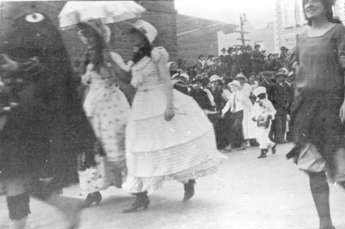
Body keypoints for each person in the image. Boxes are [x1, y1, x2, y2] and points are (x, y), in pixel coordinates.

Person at [0, 3, 100, 229]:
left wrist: (18, 67)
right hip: (16, 110)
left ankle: (22, 227)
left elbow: (51, 65)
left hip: (27, 113)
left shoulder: (33, 21)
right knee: (15, 173)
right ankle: (62, 207)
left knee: (15, 172)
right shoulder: (15, 23)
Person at [120, 20, 226, 212]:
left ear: (145, 37)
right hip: (141, 105)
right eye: (131, 35)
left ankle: (187, 179)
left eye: (136, 34)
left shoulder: (156, 54)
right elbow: (130, 81)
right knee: (139, 146)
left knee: (170, 142)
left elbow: (166, 81)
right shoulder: (135, 59)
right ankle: (140, 197)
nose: (132, 38)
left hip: (158, 99)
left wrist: (169, 106)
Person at [287, 0, 345, 229]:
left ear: (326, 5)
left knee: (340, 166)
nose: (309, 5)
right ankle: (325, 223)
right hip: (306, 109)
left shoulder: (338, 32)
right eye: (306, 2)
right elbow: (299, 72)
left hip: (332, 107)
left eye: (315, 1)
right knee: (312, 166)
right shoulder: (301, 35)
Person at [76, 21, 131, 207]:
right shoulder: (87, 57)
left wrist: (109, 63)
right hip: (92, 104)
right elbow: (84, 82)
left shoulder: (110, 55)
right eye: (83, 36)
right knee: (91, 147)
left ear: (100, 36)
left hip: (111, 106)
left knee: (115, 143)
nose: (86, 39)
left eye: (90, 35)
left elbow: (124, 77)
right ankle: (92, 191)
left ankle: (136, 186)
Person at [252, 87, 276, 159]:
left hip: (266, 121)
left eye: (263, 94)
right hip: (259, 121)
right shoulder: (256, 104)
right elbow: (254, 111)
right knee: (258, 136)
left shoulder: (268, 102)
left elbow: (273, 111)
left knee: (262, 135)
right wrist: (253, 117)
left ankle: (263, 151)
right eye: (260, 95)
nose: (262, 96)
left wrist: (270, 116)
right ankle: (272, 145)